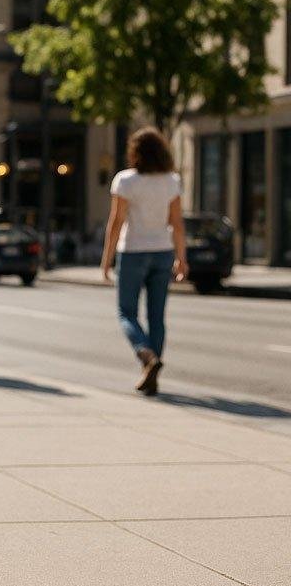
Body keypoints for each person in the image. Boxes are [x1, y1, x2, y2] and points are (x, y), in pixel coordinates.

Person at [101, 127, 188, 396]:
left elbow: (116, 222)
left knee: (126, 312)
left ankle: (147, 356)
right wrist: (181, 258)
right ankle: (152, 374)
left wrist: (107, 259)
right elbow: (176, 224)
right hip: (162, 252)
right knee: (156, 317)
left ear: (135, 152)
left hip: (133, 252)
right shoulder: (171, 181)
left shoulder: (125, 180)